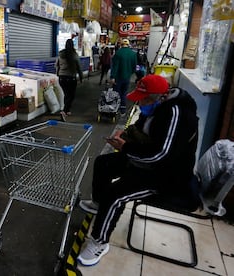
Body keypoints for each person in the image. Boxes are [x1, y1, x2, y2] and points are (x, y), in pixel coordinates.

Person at [77, 74, 199, 266]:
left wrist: (124, 147)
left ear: (160, 97)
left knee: (115, 194)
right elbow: (140, 126)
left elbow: (161, 155)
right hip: (146, 163)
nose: (141, 104)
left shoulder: (177, 114)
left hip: (166, 175)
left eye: (144, 99)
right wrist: (123, 135)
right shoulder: (154, 107)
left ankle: (99, 242)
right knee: (103, 163)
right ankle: (99, 204)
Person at [55, 38, 83, 122]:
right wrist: (81, 77)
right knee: (71, 95)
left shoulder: (61, 54)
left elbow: (56, 65)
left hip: (62, 78)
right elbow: (78, 67)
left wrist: (58, 74)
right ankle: (64, 111)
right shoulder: (74, 54)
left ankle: (67, 110)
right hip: (71, 78)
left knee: (67, 95)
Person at [110, 38, 137, 115]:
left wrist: (112, 77)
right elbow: (134, 67)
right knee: (124, 93)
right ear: (128, 45)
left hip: (118, 77)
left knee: (116, 93)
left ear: (121, 45)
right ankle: (123, 110)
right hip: (127, 77)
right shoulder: (133, 54)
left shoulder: (118, 53)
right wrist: (130, 73)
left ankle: (115, 109)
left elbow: (115, 66)